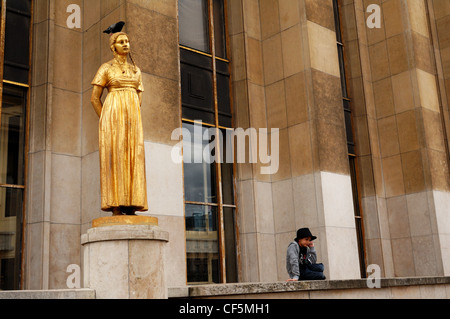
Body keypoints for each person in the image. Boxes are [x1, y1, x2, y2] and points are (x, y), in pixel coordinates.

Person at [91, 32, 148, 216]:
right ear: (113, 46)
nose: (126, 44)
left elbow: (139, 95)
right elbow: (94, 99)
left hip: (132, 119)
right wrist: (105, 120)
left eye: (127, 41)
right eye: (121, 42)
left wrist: (131, 113)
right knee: (115, 158)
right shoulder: (106, 68)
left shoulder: (135, 70)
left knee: (134, 157)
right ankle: (116, 205)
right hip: (112, 118)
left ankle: (132, 204)